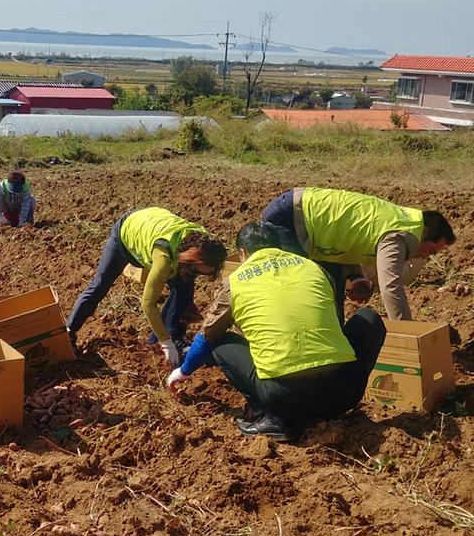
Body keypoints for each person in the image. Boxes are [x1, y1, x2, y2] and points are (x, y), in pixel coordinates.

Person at [167, 221, 387, 442]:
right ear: (278, 245)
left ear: (243, 252)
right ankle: (322, 407)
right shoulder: (314, 268)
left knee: (220, 342)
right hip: (344, 393)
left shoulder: (234, 283)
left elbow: (208, 337)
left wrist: (183, 371)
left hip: (285, 399)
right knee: (368, 319)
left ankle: (272, 418)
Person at [261, 187, 455, 320]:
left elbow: (347, 236)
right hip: (291, 216)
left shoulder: (402, 220)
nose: (424, 257)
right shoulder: (400, 235)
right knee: (305, 287)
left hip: (302, 213)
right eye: (429, 251)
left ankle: (333, 346)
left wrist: (355, 277)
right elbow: (391, 287)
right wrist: (408, 333)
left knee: (332, 286)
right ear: (425, 233)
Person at [66, 207, 227, 365]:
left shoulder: (206, 242)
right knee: (100, 285)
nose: (205, 274)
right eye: (204, 270)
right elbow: (148, 304)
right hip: (126, 233)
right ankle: (69, 331)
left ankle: (164, 339)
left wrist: (185, 306)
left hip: (153, 225)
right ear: (195, 260)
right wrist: (166, 342)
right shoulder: (164, 259)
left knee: (185, 286)